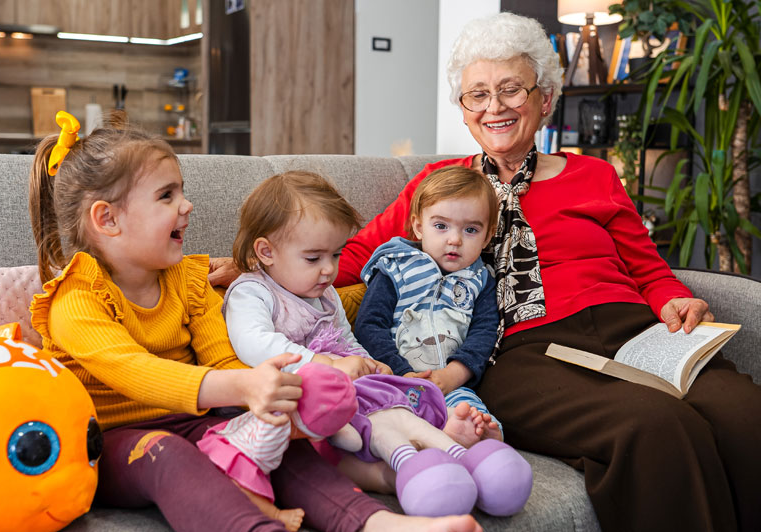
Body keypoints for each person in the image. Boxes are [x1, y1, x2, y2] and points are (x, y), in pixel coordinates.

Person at [333, 12, 761, 532]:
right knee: (654, 426)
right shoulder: (442, 188)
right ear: (465, 110)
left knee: (744, 411)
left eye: (511, 89)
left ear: (545, 99)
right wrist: (251, 268)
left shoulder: (594, 174)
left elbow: (649, 269)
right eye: (478, 94)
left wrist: (674, 297)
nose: (495, 107)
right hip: (524, 351)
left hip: (633, 332)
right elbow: (353, 255)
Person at [27, 111, 484, 532]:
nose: (186, 205)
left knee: (285, 445)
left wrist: (271, 401)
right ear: (107, 219)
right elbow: (137, 372)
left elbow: (223, 358)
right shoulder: (76, 298)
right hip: (112, 445)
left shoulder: (189, 281)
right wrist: (245, 388)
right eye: (167, 195)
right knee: (169, 456)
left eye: (182, 191)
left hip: (196, 419)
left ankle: (382, 524)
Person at [223, 170, 532, 517]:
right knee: (338, 444)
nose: (329, 271)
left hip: (345, 390)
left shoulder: (324, 295)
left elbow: (347, 339)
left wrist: (371, 364)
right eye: (314, 258)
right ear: (266, 251)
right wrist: (324, 365)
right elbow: (255, 343)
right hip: (294, 399)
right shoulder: (252, 292)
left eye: (336, 256)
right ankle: (394, 472)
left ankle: (451, 448)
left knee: (393, 405)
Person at [355, 166, 503, 442]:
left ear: (487, 236)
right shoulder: (395, 269)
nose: (454, 239)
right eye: (441, 226)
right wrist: (401, 373)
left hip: (450, 385)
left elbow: (484, 334)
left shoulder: (480, 280)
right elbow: (368, 325)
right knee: (383, 416)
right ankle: (420, 442)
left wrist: (452, 376)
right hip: (393, 380)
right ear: (419, 226)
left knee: (467, 409)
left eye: (471, 229)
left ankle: (479, 436)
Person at [197, 362, 358, 531]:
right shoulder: (278, 428)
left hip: (224, 439)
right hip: (236, 458)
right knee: (247, 490)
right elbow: (258, 458)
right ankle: (275, 515)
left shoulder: (273, 400)